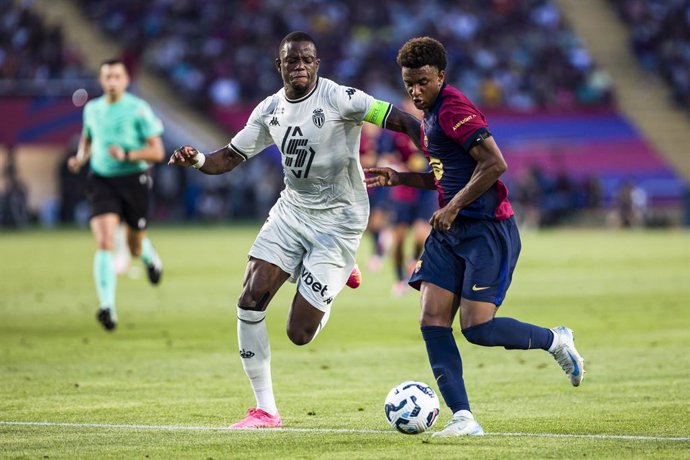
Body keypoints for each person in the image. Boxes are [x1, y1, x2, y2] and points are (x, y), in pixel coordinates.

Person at [168, 31, 421, 429]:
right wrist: (198, 158)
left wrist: (436, 145)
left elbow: (397, 118)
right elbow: (230, 157)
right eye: (291, 61)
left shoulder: (341, 98)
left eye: (306, 60)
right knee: (249, 299)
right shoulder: (269, 111)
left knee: (298, 333)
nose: (299, 66)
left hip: (339, 221)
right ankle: (265, 410)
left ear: (317, 64)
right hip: (293, 212)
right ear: (279, 66)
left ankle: (333, 277)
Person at [365, 37, 585, 437]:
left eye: (423, 82)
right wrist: (401, 178)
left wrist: (451, 207)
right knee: (431, 318)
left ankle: (556, 339)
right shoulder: (429, 117)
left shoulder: (454, 109)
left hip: (487, 229)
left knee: (477, 328)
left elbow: (494, 164)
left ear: (441, 76)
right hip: (450, 232)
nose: (415, 90)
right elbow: (445, 175)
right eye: (409, 82)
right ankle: (463, 417)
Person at [68, 58, 165, 332]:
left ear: (125, 80)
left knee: (134, 244)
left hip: (133, 180)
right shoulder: (92, 109)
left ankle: (149, 258)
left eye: (116, 76)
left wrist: (127, 155)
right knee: (105, 240)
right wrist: (80, 158)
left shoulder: (138, 109)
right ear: (101, 81)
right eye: (107, 76)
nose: (111, 81)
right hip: (101, 180)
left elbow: (157, 152)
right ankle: (107, 307)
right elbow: (88, 138)